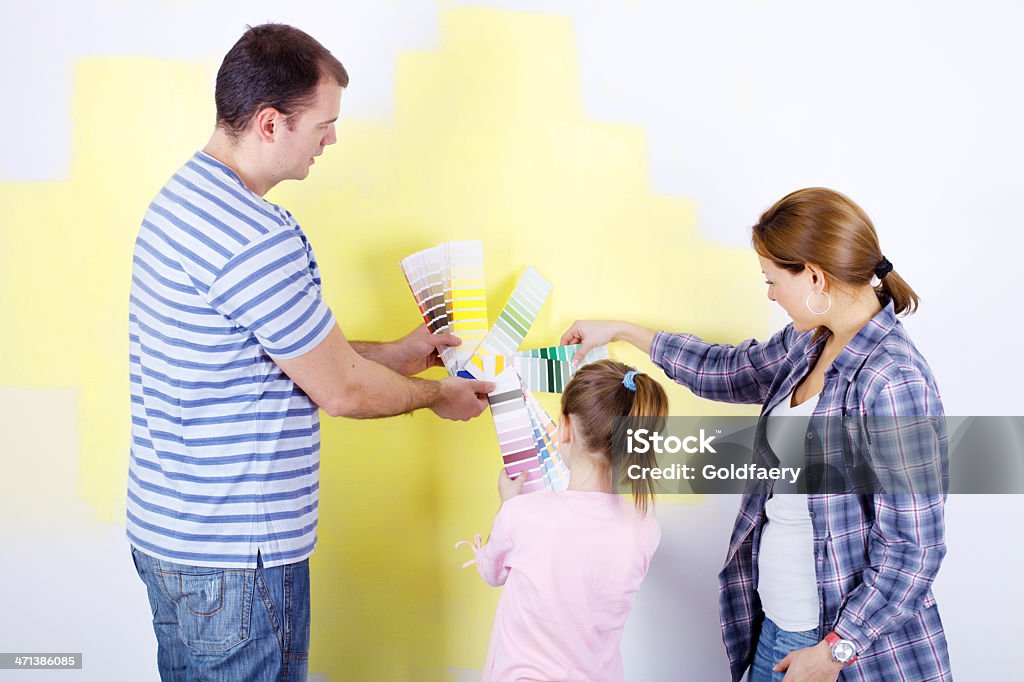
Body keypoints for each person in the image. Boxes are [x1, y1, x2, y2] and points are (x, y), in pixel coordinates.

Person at [126, 24, 494, 681]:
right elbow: (341, 390)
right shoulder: (253, 235)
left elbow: (271, 352)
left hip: (171, 539)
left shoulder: (181, 200)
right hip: (239, 562)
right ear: (270, 123)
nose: (332, 140)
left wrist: (400, 354)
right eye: (323, 124)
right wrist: (439, 394)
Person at [562, 188, 951, 681]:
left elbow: (914, 550)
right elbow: (727, 370)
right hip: (778, 630)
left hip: (843, 652)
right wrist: (622, 331)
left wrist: (836, 650)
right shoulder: (811, 340)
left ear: (814, 275)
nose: (769, 294)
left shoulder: (894, 381)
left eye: (772, 279)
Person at [457, 359, 668, 682]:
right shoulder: (645, 529)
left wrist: (507, 504)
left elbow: (492, 571)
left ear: (565, 428)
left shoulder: (521, 514)